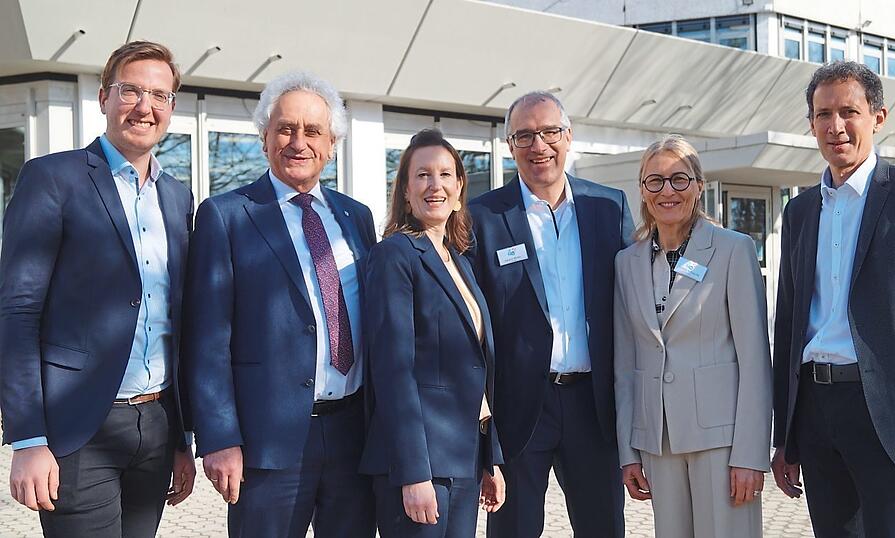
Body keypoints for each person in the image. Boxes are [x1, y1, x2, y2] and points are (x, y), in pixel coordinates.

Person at [0, 41, 196, 537]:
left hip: (155, 424)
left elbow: (180, 321)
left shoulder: (177, 198)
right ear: (105, 97)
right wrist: (28, 439)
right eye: (131, 91)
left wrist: (181, 439)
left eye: (159, 95)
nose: (144, 106)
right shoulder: (51, 178)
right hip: (78, 429)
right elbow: (17, 313)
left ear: (171, 108)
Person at [182, 71, 376, 537]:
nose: (298, 142)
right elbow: (207, 338)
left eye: (313, 131)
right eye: (285, 128)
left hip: (354, 435)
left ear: (332, 144)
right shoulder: (226, 216)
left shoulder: (357, 217)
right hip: (267, 444)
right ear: (265, 137)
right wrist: (220, 437)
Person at [771, 60, 895, 537]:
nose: (836, 127)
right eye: (823, 114)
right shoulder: (799, 211)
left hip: (890, 419)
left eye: (848, 111)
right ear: (810, 122)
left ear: (878, 116)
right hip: (815, 412)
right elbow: (789, 326)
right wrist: (785, 437)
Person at [467, 91, 633, 537]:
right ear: (510, 145)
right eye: (524, 135)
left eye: (549, 132)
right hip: (520, 408)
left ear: (568, 137)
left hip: (592, 406)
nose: (538, 145)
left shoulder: (608, 207)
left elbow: (633, 301)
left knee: (603, 529)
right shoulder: (482, 217)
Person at [613, 134, 771, 538]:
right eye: (655, 181)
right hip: (658, 439)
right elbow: (626, 363)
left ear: (699, 186)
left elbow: (756, 360)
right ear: (643, 191)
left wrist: (751, 454)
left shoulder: (733, 250)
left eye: (679, 179)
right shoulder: (626, 262)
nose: (668, 190)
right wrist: (628, 451)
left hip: (722, 443)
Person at [360, 128, 505, 537]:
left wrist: (488, 460)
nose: (434, 185)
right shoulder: (394, 255)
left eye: (445, 175)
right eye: (422, 175)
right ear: (405, 191)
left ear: (460, 189)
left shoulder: (459, 262)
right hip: (421, 466)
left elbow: (475, 370)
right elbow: (393, 372)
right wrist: (413, 474)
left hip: (464, 459)